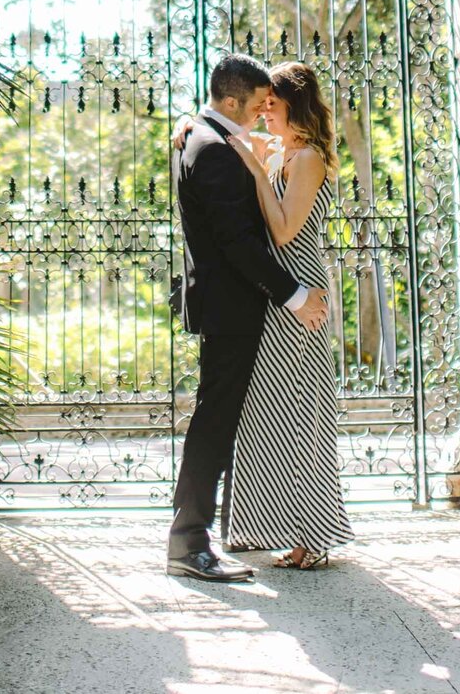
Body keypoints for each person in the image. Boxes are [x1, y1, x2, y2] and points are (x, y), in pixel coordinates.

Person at [167, 54, 329, 583]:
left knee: (218, 420)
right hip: (233, 305)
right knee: (214, 423)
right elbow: (238, 243)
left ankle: (197, 536)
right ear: (233, 101)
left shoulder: (204, 138)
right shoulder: (212, 148)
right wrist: (294, 295)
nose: (264, 113)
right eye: (259, 104)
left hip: (234, 303)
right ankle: (190, 542)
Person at [223, 60, 354, 570]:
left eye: (271, 105)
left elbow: (283, 231)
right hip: (273, 294)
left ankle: (315, 536)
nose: (264, 113)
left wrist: (256, 168)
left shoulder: (309, 159)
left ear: (293, 104)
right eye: (261, 105)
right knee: (268, 415)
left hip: (300, 296)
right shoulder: (280, 152)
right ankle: (269, 527)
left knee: (301, 414)